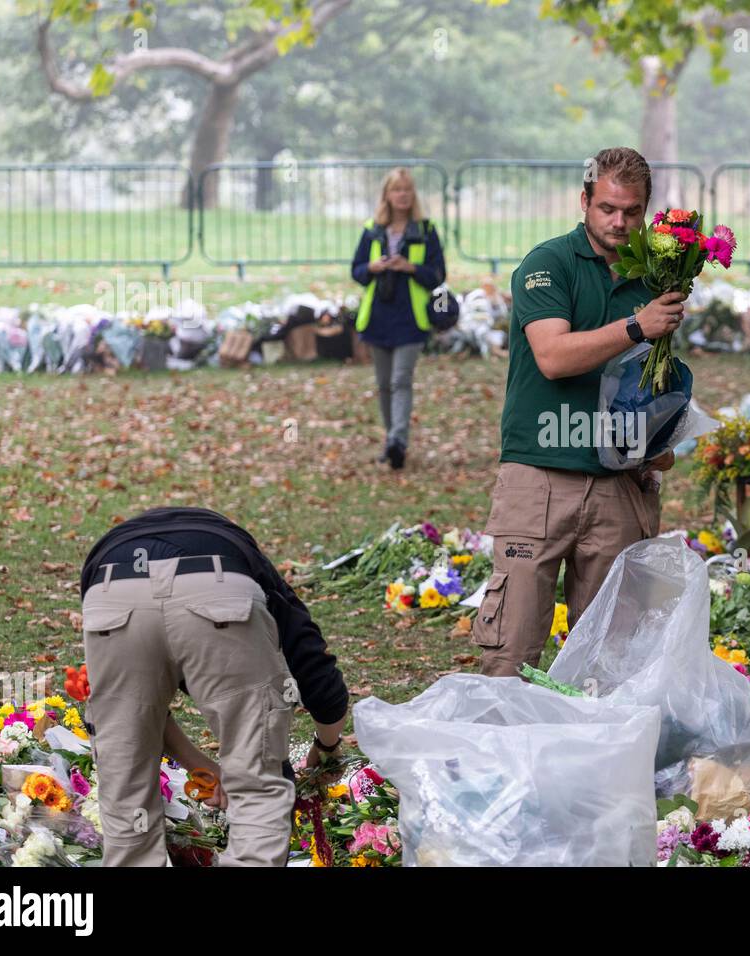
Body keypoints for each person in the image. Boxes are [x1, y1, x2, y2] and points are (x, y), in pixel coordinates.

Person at [471, 146, 683, 678]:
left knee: (607, 658)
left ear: (646, 212)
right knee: (511, 648)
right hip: (539, 474)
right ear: (584, 200)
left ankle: (595, 759)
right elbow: (552, 357)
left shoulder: (656, 276)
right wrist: (638, 324)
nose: (618, 221)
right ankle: (505, 754)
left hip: (617, 484)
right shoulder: (549, 264)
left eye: (631, 212)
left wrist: (656, 443)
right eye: (607, 207)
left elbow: (649, 383)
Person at [77, 506, 349, 866]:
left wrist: (202, 766)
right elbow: (312, 662)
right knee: (257, 786)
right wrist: (327, 746)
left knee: (126, 795)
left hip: (109, 588)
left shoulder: (118, 558)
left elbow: (135, 716)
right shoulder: (250, 563)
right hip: (221, 586)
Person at [351, 168, 447, 470]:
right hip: (378, 317)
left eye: (407, 190)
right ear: (387, 195)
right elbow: (356, 271)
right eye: (396, 190)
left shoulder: (426, 230)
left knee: (400, 380)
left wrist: (410, 268)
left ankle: (398, 441)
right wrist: (373, 268)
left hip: (411, 319)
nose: (402, 195)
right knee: (383, 384)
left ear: (413, 194)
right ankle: (391, 441)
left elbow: (438, 275)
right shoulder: (372, 230)